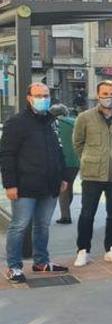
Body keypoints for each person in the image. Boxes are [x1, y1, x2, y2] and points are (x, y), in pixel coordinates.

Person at [1, 83, 70, 283]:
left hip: (50, 185)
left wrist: (63, 177)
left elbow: (59, 151)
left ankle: (41, 262)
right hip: (25, 185)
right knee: (19, 226)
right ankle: (14, 266)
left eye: (46, 95)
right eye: (38, 95)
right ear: (29, 98)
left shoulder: (50, 121)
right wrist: (10, 184)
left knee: (43, 226)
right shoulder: (16, 123)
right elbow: (6, 155)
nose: (43, 99)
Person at [73, 80, 112, 266]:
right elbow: (78, 143)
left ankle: (111, 248)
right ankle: (83, 250)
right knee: (87, 213)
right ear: (98, 95)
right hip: (92, 174)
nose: (109, 97)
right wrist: (92, 158)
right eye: (105, 93)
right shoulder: (85, 117)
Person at [50, 104, 80, 224]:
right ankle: (66, 210)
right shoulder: (75, 122)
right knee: (69, 185)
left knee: (63, 187)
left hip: (62, 160)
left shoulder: (53, 124)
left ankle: (65, 216)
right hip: (76, 160)